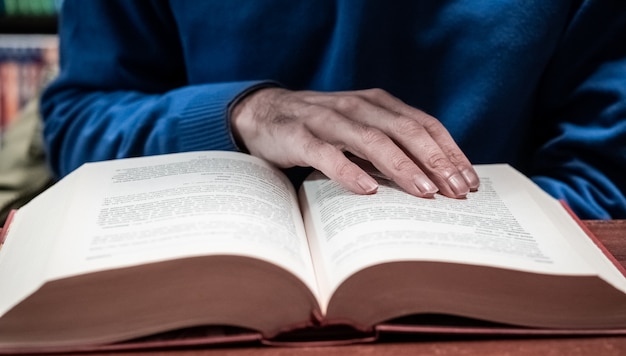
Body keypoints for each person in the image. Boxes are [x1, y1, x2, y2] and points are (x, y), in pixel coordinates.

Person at [40, 1, 626, 219]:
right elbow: (78, 124)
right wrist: (242, 112)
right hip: (205, 292)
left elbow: (604, 175)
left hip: (498, 316)